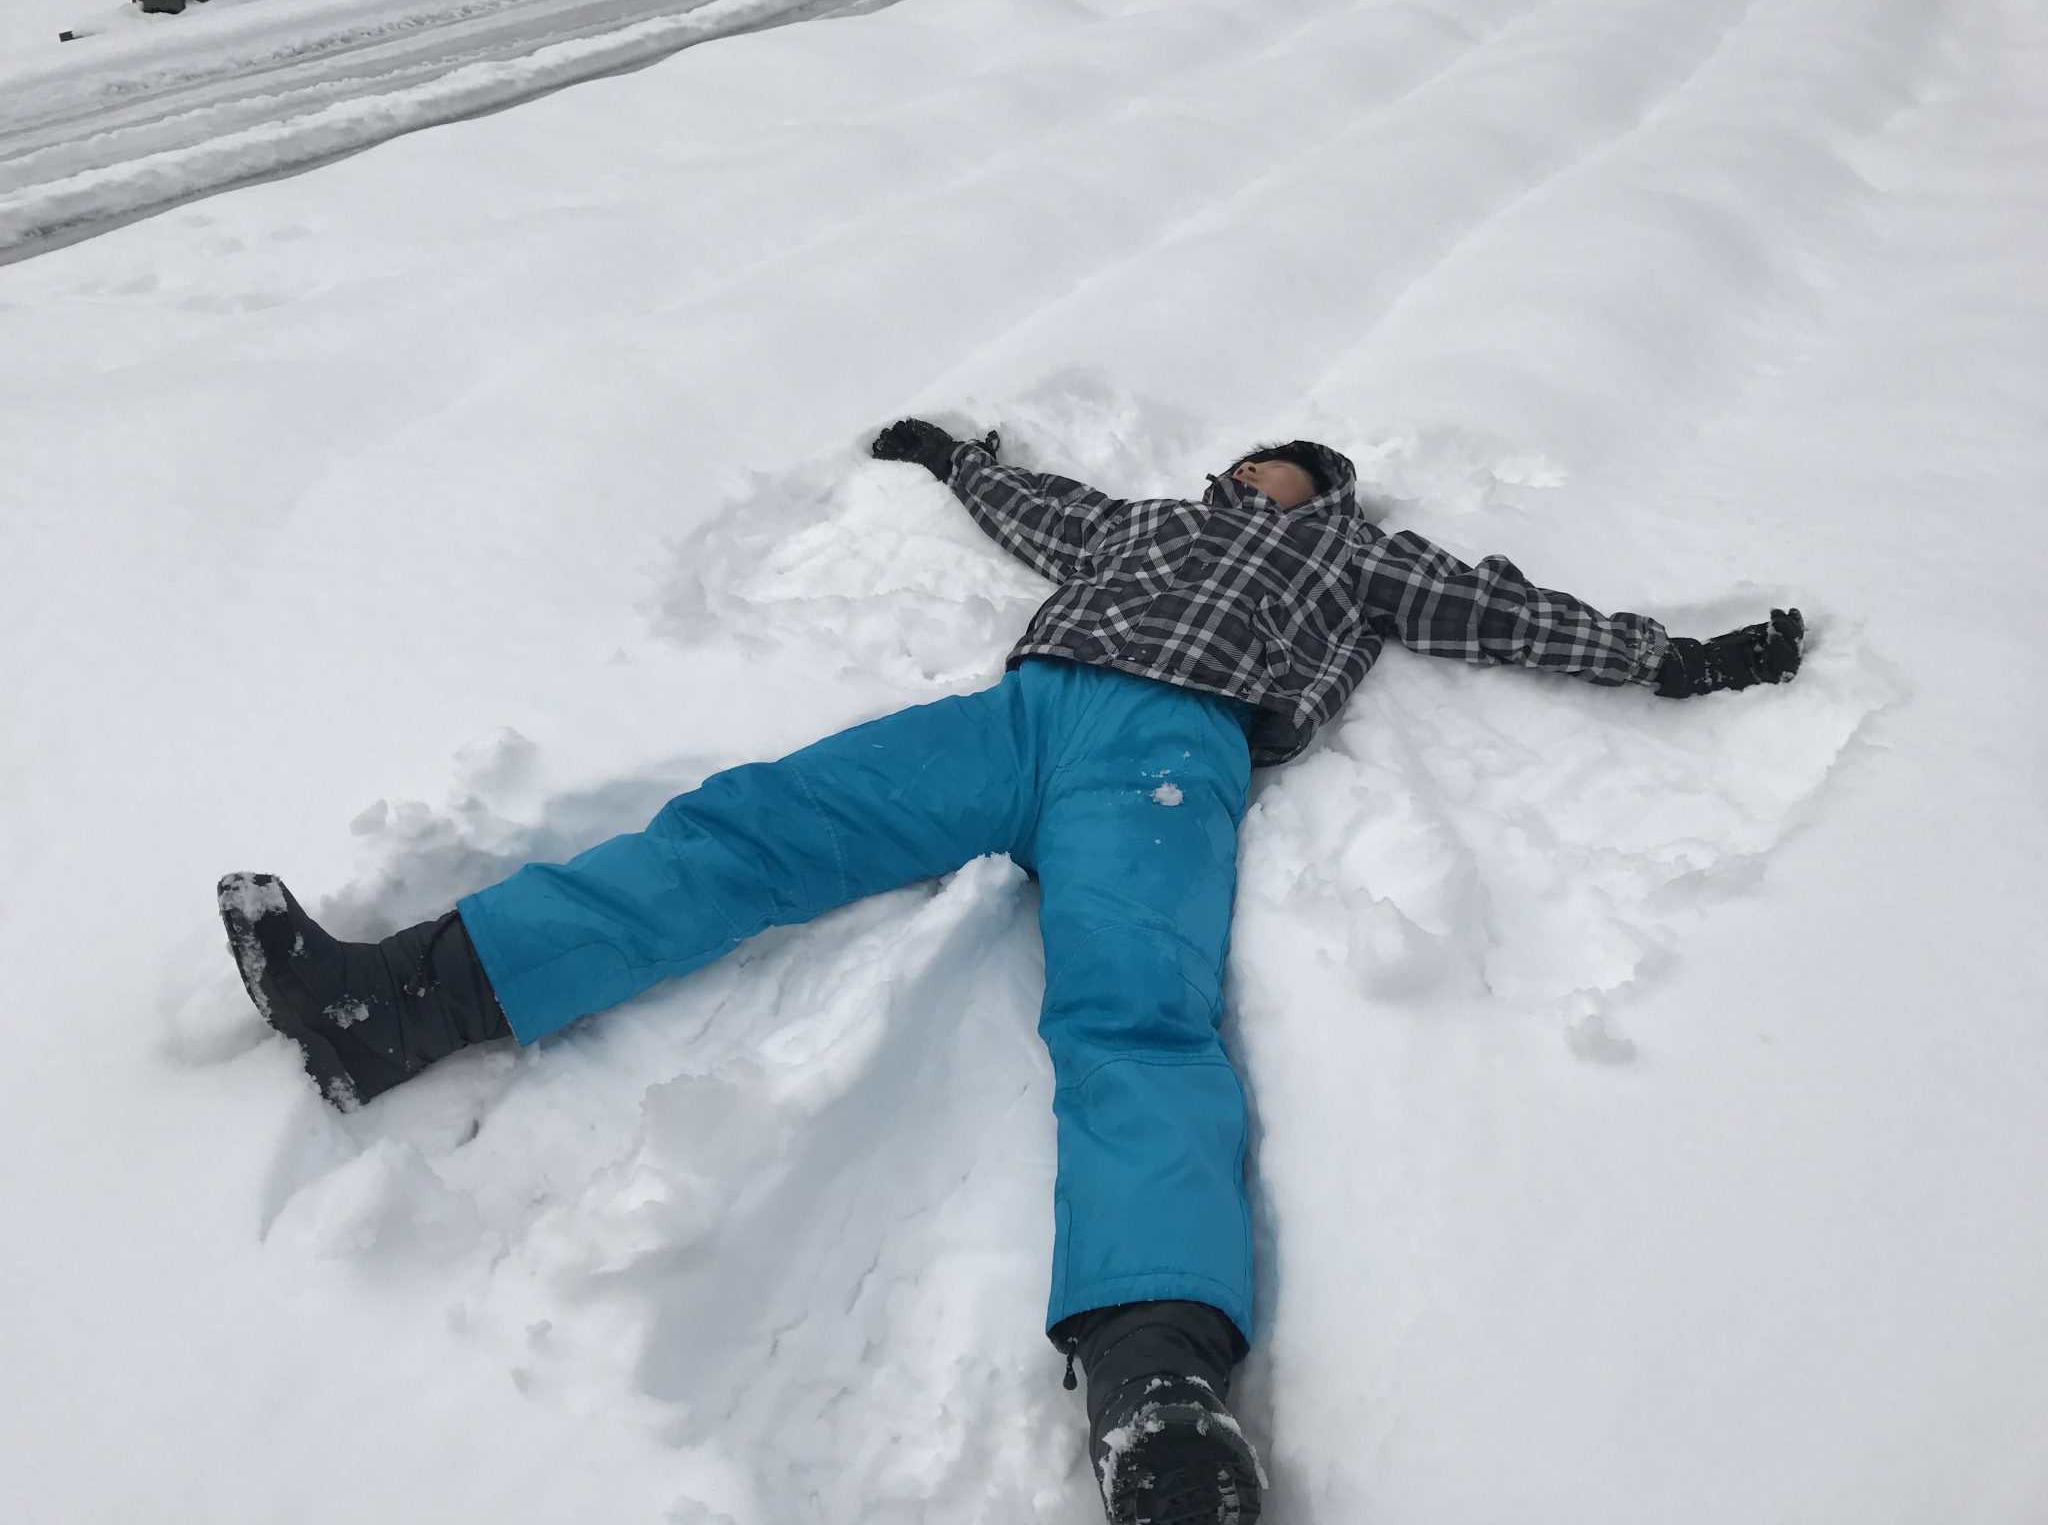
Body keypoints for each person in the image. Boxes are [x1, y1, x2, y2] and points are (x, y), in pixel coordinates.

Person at [218, 418, 1804, 1525]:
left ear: (1328, 496)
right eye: (1266, 457)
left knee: (1139, 1023)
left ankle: (1157, 1387)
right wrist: (958, 461)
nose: (1278, 472)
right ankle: (394, 1006)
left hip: (1168, 757)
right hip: (1016, 716)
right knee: (746, 826)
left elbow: (1507, 613)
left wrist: (1672, 658)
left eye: (1304, 468)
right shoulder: (1151, 524)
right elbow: (1041, 513)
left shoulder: (1366, 564)